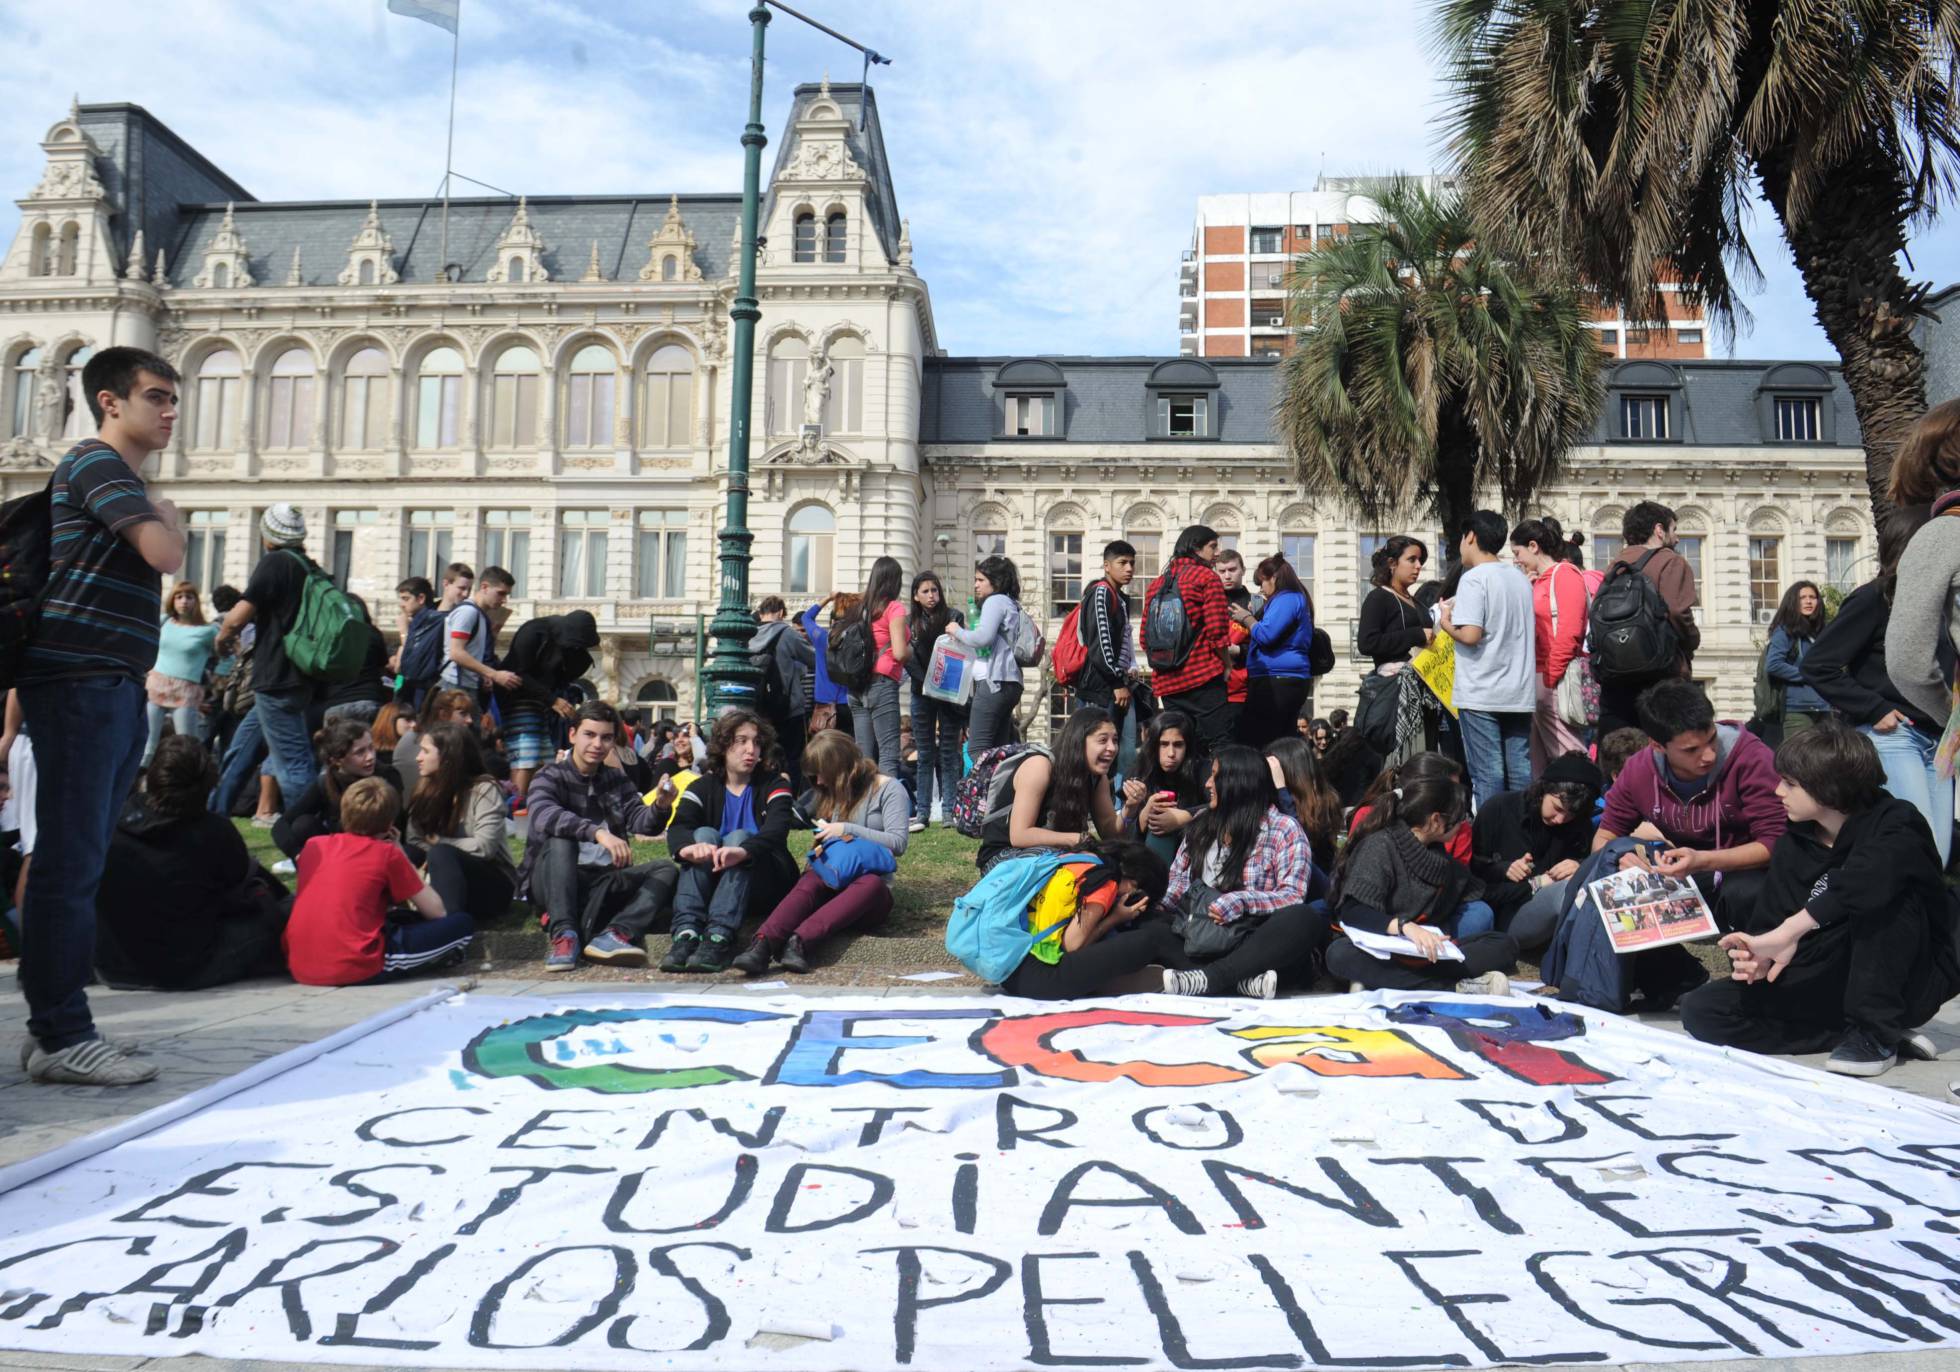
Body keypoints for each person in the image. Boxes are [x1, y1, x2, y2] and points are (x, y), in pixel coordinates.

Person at [18, 345, 184, 1086]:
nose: (170, 410)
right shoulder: (99, 465)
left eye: (174, 398)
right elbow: (164, 552)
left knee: (76, 859)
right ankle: (62, 1034)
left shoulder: (115, 475)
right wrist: (168, 517)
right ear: (110, 401)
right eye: (157, 396)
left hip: (107, 682)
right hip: (83, 683)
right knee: (70, 862)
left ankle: (55, 1025)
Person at [1679, 722, 1958, 1077]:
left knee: (1884, 899)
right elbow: (1773, 922)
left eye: (1791, 784)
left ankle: (1874, 1032)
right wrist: (1760, 958)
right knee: (1703, 1010)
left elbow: (1864, 881)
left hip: (1908, 974)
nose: (1778, 791)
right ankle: (1847, 1032)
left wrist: (1791, 930)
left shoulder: (1896, 821)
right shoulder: (1793, 844)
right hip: (1830, 974)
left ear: (1830, 790)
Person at [1594, 678, 1785, 945]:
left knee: (1744, 892)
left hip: (1749, 871)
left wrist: (1704, 860)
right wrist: (1620, 859)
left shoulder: (1751, 758)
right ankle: (1672, 976)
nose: (1708, 755)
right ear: (1658, 746)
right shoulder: (1639, 770)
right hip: (1689, 872)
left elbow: (1775, 844)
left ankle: (1752, 973)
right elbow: (1604, 837)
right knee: (1605, 880)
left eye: (1712, 740)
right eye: (1691, 750)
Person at [1805, 519, 1950, 864]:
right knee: (1913, 847)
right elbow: (1817, 664)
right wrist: (1874, 708)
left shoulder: (1943, 604)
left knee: (1938, 854)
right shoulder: (1875, 599)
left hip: (1941, 740)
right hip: (1897, 736)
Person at [94, 736, 288, 992]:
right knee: (279, 914)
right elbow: (240, 886)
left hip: (112, 966)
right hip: (184, 967)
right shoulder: (212, 832)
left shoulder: (112, 823)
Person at [1323, 771, 1519, 995]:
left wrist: (1535, 884)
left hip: (1424, 951)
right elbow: (1353, 911)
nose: (1462, 826)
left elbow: (1484, 891)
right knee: (1339, 955)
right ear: (1436, 820)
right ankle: (1451, 986)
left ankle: (1398, 981)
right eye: (1458, 819)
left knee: (1503, 946)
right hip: (1379, 947)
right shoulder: (1380, 846)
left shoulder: (1441, 860)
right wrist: (1405, 926)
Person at [735, 729, 911, 975]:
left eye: (821, 773)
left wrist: (846, 829)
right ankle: (762, 944)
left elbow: (898, 842)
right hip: (832, 880)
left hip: (869, 897)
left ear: (839, 767)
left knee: (870, 884)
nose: (818, 782)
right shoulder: (834, 793)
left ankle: (800, 943)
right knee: (812, 877)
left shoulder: (889, 789)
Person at [521, 701, 680, 972]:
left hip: (603, 877)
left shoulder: (616, 779)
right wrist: (598, 834)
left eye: (606, 738)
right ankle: (565, 935)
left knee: (666, 869)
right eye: (590, 735)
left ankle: (616, 934)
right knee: (561, 839)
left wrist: (661, 806)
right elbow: (544, 815)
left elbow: (643, 823)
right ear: (572, 735)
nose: (597, 744)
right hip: (553, 878)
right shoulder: (549, 776)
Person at [1159, 745, 1324, 999]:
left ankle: (1211, 979)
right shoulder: (1201, 824)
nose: (1207, 784)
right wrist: (1157, 907)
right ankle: (1242, 981)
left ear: (1238, 782)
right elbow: (1178, 884)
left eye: (1215, 776)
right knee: (1150, 928)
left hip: (1253, 938)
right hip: (1201, 934)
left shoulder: (1283, 829)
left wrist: (1242, 901)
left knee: (1303, 918)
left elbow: (1292, 895)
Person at [284, 776, 475, 986]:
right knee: (461, 924)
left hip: (300, 964)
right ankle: (434, 960)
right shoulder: (385, 854)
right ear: (389, 823)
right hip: (357, 965)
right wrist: (400, 852)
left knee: (403, 919)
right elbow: (437, 911)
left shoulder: (313, 845)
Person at [213, 504, 323, 827]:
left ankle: (307, 839)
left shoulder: (274, 563)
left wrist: (221, 640)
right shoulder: (308, 566)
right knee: (239, 753)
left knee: (292, 763)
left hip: (277, 677)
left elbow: (237, 618)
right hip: (295, 676)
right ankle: (211, 817)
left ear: (268, 537)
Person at [663, 710, 798, 972]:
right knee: (702, 835)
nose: (751, 750)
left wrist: (743, 851)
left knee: (739, 837)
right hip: (712, 879)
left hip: (765, 879)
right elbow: (680, 826)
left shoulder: (774, 784)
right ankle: (686, 933)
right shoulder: (702, 786)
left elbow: (776, 832)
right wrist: (687, 849)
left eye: (757, 743)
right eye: (742, 741)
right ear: (724, 745)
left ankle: (718, 937)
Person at [996, 840, 1182, 999]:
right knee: (1146, 941)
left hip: (1008, 967)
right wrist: (1115, 918)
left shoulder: (1076, 858)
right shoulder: (1104, 882)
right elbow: (1071, 945)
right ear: (1135, 886)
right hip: (1039, 978)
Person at [1439, 510, 1538, 808]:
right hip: (1518, 690)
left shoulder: (1473, 579)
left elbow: (1470, 634)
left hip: (1482, 690)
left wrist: (1445, 621)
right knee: (1520, 771)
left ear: (1470, 537)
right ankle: (1523, 834)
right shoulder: (1519, 578)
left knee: (1488, 774)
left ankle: (1492, 844)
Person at [1469, 753, 1602, 953]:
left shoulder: (1578, 825)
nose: (1560, 819)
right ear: (1543, 790)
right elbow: (1472, 874)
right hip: (1499, 912)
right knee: (1566, 891)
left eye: (1570, 814)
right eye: (1557, 808)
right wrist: (1504, 869)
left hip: (1543, 912)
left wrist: (1579, 866)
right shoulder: (1499, 808)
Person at [1597, 501, 1701, 738]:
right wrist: (1691, 641)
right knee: (1664, 743)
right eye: (1674, 530)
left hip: (1616, 670)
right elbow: (1677, 611)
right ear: (1659, 530)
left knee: (1620, 745)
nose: (1677, 538)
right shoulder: (1671, 561)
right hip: (1659, 671)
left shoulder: (1616, 565)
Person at [978, 705, 1122, 873]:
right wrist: (1075, 839)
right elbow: (1019, 835)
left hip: (1056, 852)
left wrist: (1131, 809)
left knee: (1117, 865)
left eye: (1115, 740)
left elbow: (1110, 833)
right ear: (1079, 740)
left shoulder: (1097, 778)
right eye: (1103, 740)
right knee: (1088, 868)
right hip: (1005, 859)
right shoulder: (1040, 766)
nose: (1112, 748)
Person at [406, 721, 517, 926]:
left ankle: (450, 929)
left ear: (447, 757)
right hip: (446, 872)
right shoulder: (424, 788)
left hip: (491, 884)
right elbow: (415, 839)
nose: (418, 758)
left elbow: (485, 847)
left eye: (424, 751)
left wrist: (439, 842)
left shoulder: (483, 789)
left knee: (441, 852)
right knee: (405, 852)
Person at [1140, 525, 1234, 759]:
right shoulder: (1206, 577)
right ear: (1195, 547)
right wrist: (1227, 664)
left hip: (1167, 683)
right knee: (1219, 743)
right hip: (1202, 677)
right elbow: (1217, 631)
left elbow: (1144, 638)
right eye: (1212, 546)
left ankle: (1181, 796)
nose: (1217, 552)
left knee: (1181, 750)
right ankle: (1219, 795)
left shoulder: (1156, 585)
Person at [1510, 518, 1589, 770]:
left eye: (1517, 552)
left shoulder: (1565, 575)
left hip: (1552, 679)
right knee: (1542, 763)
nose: (1516, 559)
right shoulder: (1542, 579)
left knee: (1570, 756)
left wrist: (1549, 679)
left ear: (1533, 546)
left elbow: (1569, 631)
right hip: (1540, 679)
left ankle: (1588, 804)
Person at [495, 609, 598, 798]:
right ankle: (517, 806)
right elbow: (519, 672)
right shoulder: (535, 632)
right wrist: (553, 700)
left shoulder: (563, 643)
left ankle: (532, 804)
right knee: (527, 754)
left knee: (542, 758)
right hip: (517, 699)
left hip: (539, 704)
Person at [271, 718, 402, 861]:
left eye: (371, 747)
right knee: (303, 824)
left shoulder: (387, 776)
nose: (370, 757)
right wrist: (298, 854)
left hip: (381, 847)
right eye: (360, 752)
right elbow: (281, 825)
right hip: (340, 851)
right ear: (337, 760)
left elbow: (397, 822)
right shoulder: (327, 782)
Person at [1357, 535, 1437, 764]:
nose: (1418, 566)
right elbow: (1367, 643)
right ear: (1392, 563)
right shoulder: (1378, 598)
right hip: (1397, 695)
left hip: (1425, 694)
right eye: (1411, 559)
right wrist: (1415, 635)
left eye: (1420, 560)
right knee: (1405, 761)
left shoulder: (1417, 602)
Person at [943, 555, 1029, 759]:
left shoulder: (995, 601)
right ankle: (1000, 790)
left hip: (994, 682)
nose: (976, 585)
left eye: (981, 580)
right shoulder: (1010, 603)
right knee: (997, 750)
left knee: (977, 749)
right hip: (1010, 682)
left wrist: (957, 631)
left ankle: (985, 791)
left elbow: (983, 638)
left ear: (996, 582)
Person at [1234, 553, 1316, 748]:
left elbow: (1266, 635)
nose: (1261, 588)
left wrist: (1246, 618)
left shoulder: (1287, 598)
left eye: (1262, 582)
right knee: (1278, 741)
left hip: (1278, 678)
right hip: (1283, 676)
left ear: (1274, 578)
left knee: (1265, 741)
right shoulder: (1294, 598)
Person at [1072, 541, 1140, 779]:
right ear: (1107, 566)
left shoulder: (1118, 596)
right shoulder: (1101, 592)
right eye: (1122, 563)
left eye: (1132, 563)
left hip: (1112, 687)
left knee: (1116, 753)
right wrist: (1117, 683)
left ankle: (1113, 811)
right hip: (1099, 690)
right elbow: (1099, 645)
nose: (1129, 568)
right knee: (1094, 754)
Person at [903, 572, 965, 826]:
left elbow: (960, 652)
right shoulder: (909, 622)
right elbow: (907, 659)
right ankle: (924, 812)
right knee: (925, 753)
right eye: (926, 591)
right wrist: (927, 684)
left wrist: (939, 686)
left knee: (950, 752)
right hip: (922, 693)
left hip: (949, 693)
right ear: (916, 596)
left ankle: (949, 812)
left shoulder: (953, 617)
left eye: (935, 590)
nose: (931, 596)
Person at [846, 555, 909, 771]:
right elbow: (900, 653)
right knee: (889, 754)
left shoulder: (859, 608)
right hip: (881, 684)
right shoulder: (894, 609)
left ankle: (863, 804)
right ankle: (888, 805)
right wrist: (914, 649)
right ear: (895, 581)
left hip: (855, 685)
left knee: (864, 755)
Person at [144, 581, 217, 765]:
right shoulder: (164, 621)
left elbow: (228, 655)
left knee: (187, 745)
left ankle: (190, 785)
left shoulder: (208, 630)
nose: (184, 601)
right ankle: (138, 786)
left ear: (196, 601)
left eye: (189, 597)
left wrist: (218, 679)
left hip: (185, 691)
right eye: (179, 597)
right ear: (173, 600)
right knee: (147, 744)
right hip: (156, 686)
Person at [1120, 709, 1205, 866]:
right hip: (1147, 852)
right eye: (1164, 744)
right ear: (1153, 745)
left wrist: (1185, 816)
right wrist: (1145, 814)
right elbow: (1123, 833)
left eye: (1178, 745)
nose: (1171, 753)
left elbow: (1222, 805)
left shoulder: (1201, 770)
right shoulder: (1138, 772)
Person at [752, 595, 817, 794]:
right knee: (792, 758)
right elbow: (814, 658)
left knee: (761, 755)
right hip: (788, 708)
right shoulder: (787, 633)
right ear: (781, 613)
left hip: (758, 710)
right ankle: (789, 800)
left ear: (761, 613)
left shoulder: (748, 634)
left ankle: (764, 796)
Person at [1264, 735, 1343, 881]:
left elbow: (1298, 842)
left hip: (1315, 885)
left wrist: (1281, 789)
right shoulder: (1275, 801)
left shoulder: (1324, 801)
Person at [439, 566, 518, 709]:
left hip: (465, 686)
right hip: (456, 687)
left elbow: (470, 652)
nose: (504, 600)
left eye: (506, 595)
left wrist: (483, 676)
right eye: (501, 593)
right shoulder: (468, 612)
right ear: (484, 587)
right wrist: (494, 674)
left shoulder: (479, 614)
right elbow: (456, 653)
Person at [1763, 581, 1831, 740]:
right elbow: (1773, 665)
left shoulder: (1821, 632)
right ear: (1793, 601)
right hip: (1798, 710)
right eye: (1803, 597)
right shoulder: (1785, 631)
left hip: (1824, 708)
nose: (1808, 601)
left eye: (1813, 597)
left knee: (1827, 761)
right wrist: (1808, 675)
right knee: (1800, 760)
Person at [320, 593, 391, 728]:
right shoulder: (372, 633)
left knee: (336, 747)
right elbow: (382, 665)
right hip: (369, 698)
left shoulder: (328, 635)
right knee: (368, 747)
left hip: (337, 702)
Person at [1217, 548, 1255, 728]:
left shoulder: (1257, 603)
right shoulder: (1209, 602)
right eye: (1222, 571)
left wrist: (1239, 651)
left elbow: (1266, 646)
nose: (1227, 576)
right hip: (1214, 689)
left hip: (1245, 689)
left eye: (1232, 570)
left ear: (1243, 571)